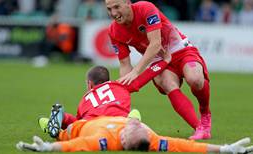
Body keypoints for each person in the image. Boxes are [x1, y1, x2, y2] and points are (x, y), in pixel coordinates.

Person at [106, 0, 212, 140]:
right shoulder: (114, 31)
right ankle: (200, 128)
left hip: (180, 49)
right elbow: (125, 64)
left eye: (117, 7)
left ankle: (205, 114)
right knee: (168, 85)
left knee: (195, 79)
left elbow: (155, 44)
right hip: (159, 60)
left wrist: (136, 72)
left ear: (127, 3)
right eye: (109, 9)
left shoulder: (145, 8)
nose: (113, 13)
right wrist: (125, 89)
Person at [40, 53, 171, 138]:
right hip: (118, 123)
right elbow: (147, 74)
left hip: (92, 125)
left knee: (75, 127)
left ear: (90, 84)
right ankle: (133, 121)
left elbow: (79, 121)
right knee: (134, 112)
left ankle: (60, 118)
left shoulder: (85, 98)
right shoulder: (121, 85)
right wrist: (165, 61)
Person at [17, 116, 253, 153]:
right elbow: (185, 146)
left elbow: (78, 144)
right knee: (133, 113)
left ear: (124, 140)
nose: (139, 126)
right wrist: (224, 149)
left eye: (135, 126)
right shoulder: (150, 138)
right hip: (108, 114)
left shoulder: (106, 140)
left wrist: (50, 147)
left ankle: (49, 127)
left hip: (77, 126)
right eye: (139, 126)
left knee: (52, 124)